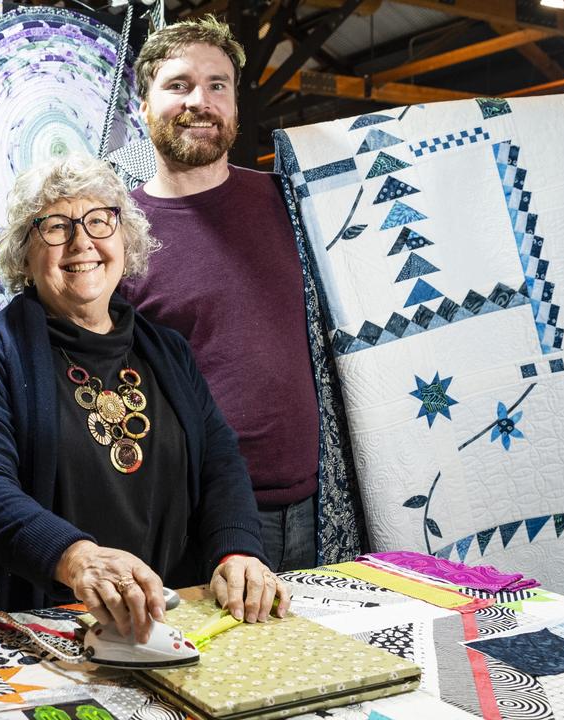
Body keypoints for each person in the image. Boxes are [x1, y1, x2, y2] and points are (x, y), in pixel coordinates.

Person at [0, 154, 290, 644]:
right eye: (56, 227)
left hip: (165, 627)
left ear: (125, 240)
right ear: (24, 255)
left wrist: (237, 550)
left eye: (99, 221)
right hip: (43, 631)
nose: (82, 242)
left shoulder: (165, 348)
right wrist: (77, 557)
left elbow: (219, 461)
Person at [116, 16, 363, 572]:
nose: (198, 101)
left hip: (317, 503)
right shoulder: (116, 235)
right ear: (144, 105)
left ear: (234, 105)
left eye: (217, 85)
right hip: (191, 512)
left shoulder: (293, 202)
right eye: (178, 85)